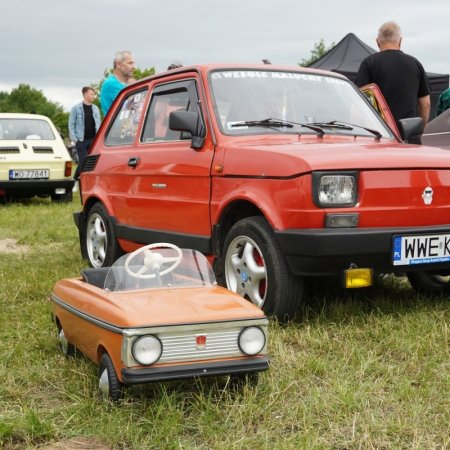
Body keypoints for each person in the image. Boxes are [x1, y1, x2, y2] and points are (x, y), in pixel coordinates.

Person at [356, 21, 431, 128]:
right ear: (400, 41)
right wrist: (419, 130)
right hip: (409, 135)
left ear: (377, 42)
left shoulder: (369, 63)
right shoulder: (415, 64)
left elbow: (359, 103)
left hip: (381, 134)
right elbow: (426, 104)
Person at [68, 87, 101, 181]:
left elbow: (99, 124)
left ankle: (79, 180)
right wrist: (75, 140)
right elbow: (71, 124)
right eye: (92, 94)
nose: (94, 96)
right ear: (85, 95)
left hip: (94, 140)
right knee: (83, 161)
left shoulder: (96, 108)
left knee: (91, 163)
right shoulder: (76, 108)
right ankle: (76, 180)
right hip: (81, 141)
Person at [100, 50, 136, 115]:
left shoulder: (124, 84)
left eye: (133, 63)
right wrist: (134, 86)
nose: (134, 67)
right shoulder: (111, 84)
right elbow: (132, 107)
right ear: (119, 64)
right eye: (130, 63)